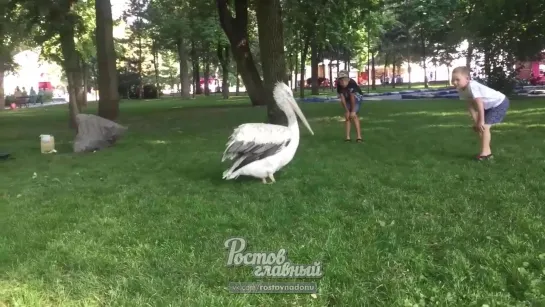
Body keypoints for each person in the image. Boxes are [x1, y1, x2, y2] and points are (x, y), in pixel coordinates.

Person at [451, 66, 510, 161]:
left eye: (457, 79)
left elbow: (479, 103)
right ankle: (488, 153)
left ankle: (484, 154)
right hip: (488, 106)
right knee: (480, 128)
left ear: (467, 79)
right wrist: (476, 122)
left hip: (499, 103)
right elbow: (470, 105)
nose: (454, 82)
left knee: (485, 127)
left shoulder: (472, 86)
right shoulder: (461, 89)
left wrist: (481, 121)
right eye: (452, 80)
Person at [336, 70, 364, 142]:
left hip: (357, 98)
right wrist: (347, 111)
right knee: (347, 116)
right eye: (340, 80)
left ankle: (359, 137)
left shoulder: (352, 83)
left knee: (354, 115)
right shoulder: (339, 85)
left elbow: (353, 98)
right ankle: (348, 137)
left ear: (348, 79)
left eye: (344, 80)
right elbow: (342, 99)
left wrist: (353, 110)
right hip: (347, 98)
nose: (342, 82)